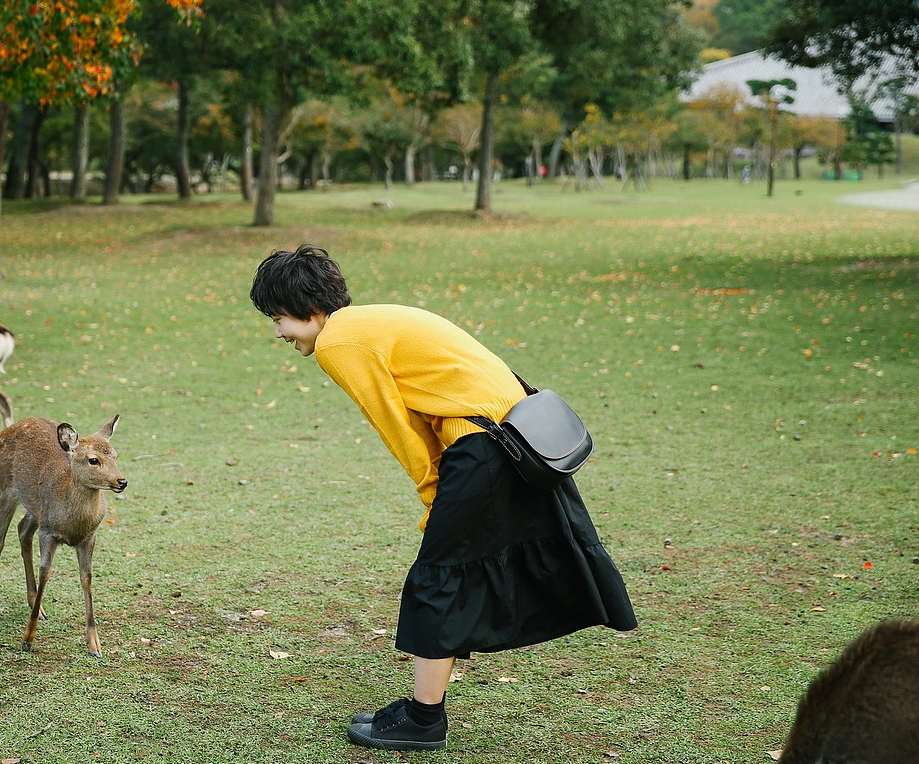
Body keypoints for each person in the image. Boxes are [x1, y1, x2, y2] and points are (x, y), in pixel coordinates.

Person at [249, 244, 637, 752]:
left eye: (280, 319)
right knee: (452, 572)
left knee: (436, 577)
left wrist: (434, 496)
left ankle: (423, 720)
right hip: (512, 440)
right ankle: (424, 710)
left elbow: (399, 430)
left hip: (482, 451)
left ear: (309, 309)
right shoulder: (372, 319)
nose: (279, 333)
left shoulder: (339, 343)